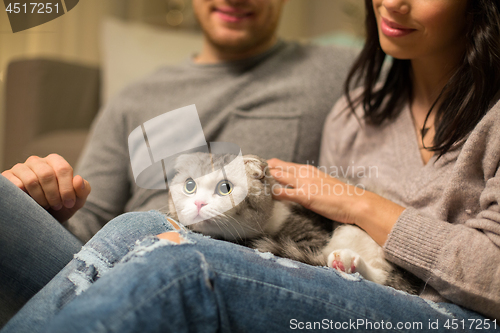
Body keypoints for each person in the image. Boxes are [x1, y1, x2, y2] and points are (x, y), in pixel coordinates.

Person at [2, 0, 500, 331]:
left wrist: (352, 199)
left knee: (156, 239)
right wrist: (49, 204)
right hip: (114, 251)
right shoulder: (135, 99)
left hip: (200, 256)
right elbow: (87, 238)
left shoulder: (333, 75)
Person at [0, 0, 357, 326]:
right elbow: (85, 225)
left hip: (230, 274)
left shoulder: (336, 73)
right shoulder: (135, 98)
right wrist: (42, 202)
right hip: (108, 260)